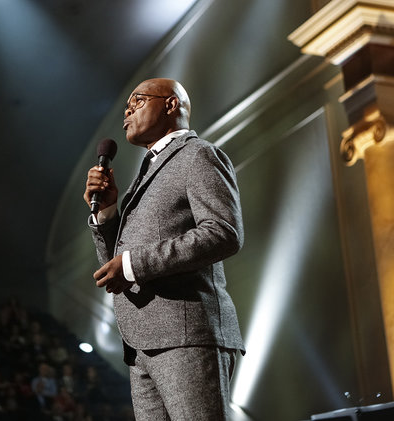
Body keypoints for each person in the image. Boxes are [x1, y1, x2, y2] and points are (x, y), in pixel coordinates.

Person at [83, 78, 244, 420]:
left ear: (171, 105)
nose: (127, 110)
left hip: (187, 335)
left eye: (137, 101)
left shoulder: (198, 155)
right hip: (141, 345)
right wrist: (106, 212)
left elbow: (223, 232)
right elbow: (116, 260)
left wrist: (132, 265)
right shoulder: (144, 174)